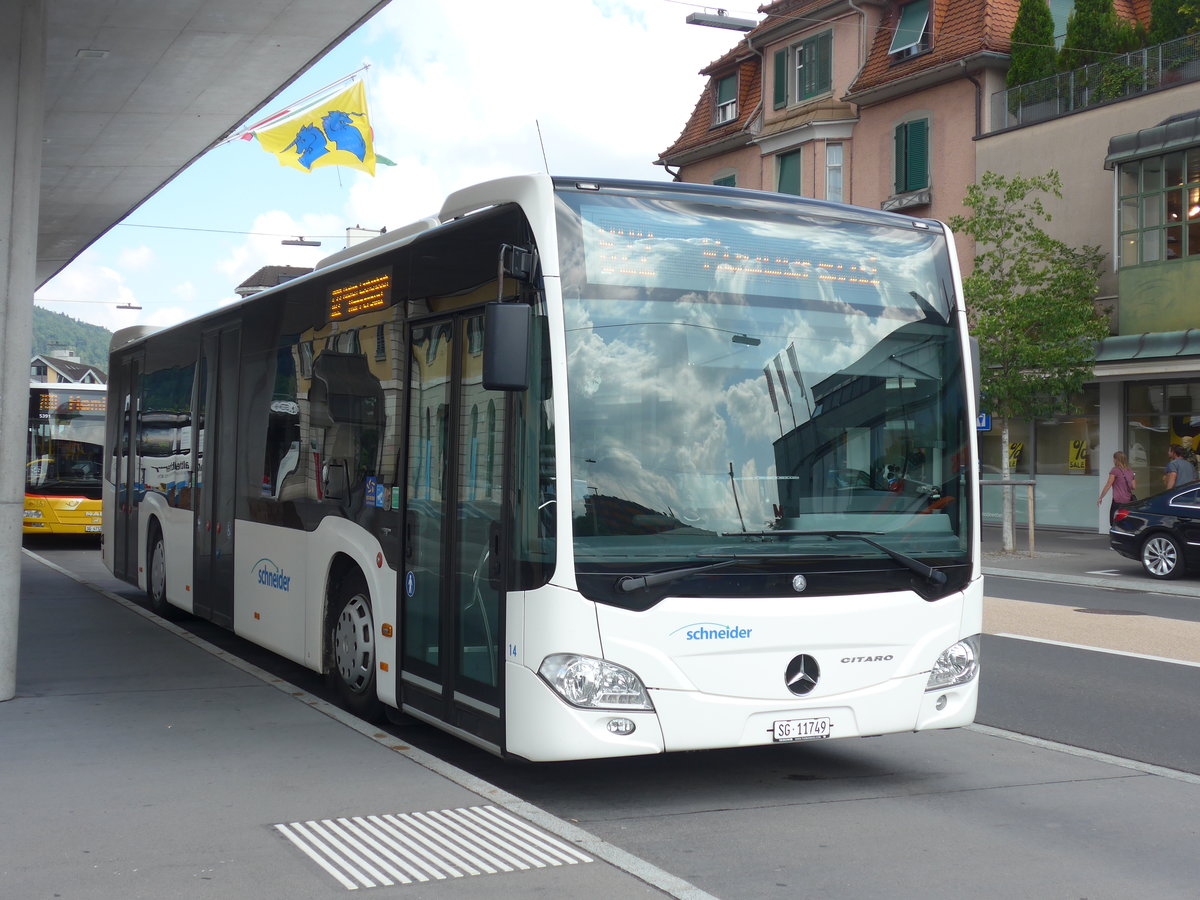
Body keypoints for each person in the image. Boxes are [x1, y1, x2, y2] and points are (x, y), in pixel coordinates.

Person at [1097, 451, 1136, 523]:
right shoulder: (1130, 471)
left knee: (1113, 522)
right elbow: (1133, 487)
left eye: (1114, 459)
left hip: (1118, 501)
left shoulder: (1115, 470)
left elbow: (1108, 484)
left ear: (1116, 460)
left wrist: (1101, 497)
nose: (1113, 460)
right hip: (1128, 501)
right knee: (1125, 522)